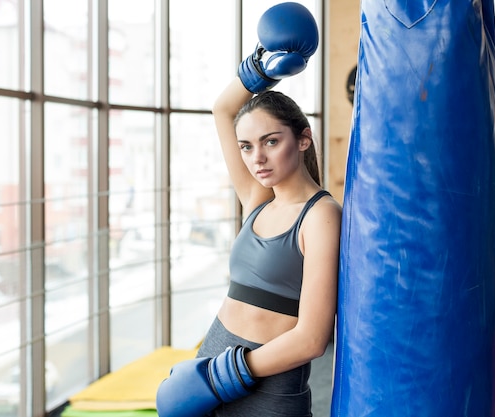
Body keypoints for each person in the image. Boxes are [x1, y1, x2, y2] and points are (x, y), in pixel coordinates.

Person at [156, 3, 341, 416]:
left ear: (303, 139)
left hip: (261, 385)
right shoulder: (258, 201)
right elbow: (223, 109)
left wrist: (222, 377)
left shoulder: (320, 216)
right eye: (246, 146)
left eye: (271, 141)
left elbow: (313, 337)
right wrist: (262, 65)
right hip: (212, 365)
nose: (257, 158)